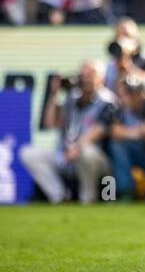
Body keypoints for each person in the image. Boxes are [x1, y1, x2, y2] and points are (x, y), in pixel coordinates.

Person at [19, 60, 117, 204]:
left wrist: (76, 149)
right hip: (67, 156)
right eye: (83, 74)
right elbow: (50, 123)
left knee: (87, 152)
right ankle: (60, 197)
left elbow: (97, 132)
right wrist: (54, 94)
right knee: (28, 153)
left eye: (91, 74)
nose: (86, 78)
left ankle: (88, 198)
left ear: (101, 77)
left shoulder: (108, 101)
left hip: (97, 161)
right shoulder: (73, 98)